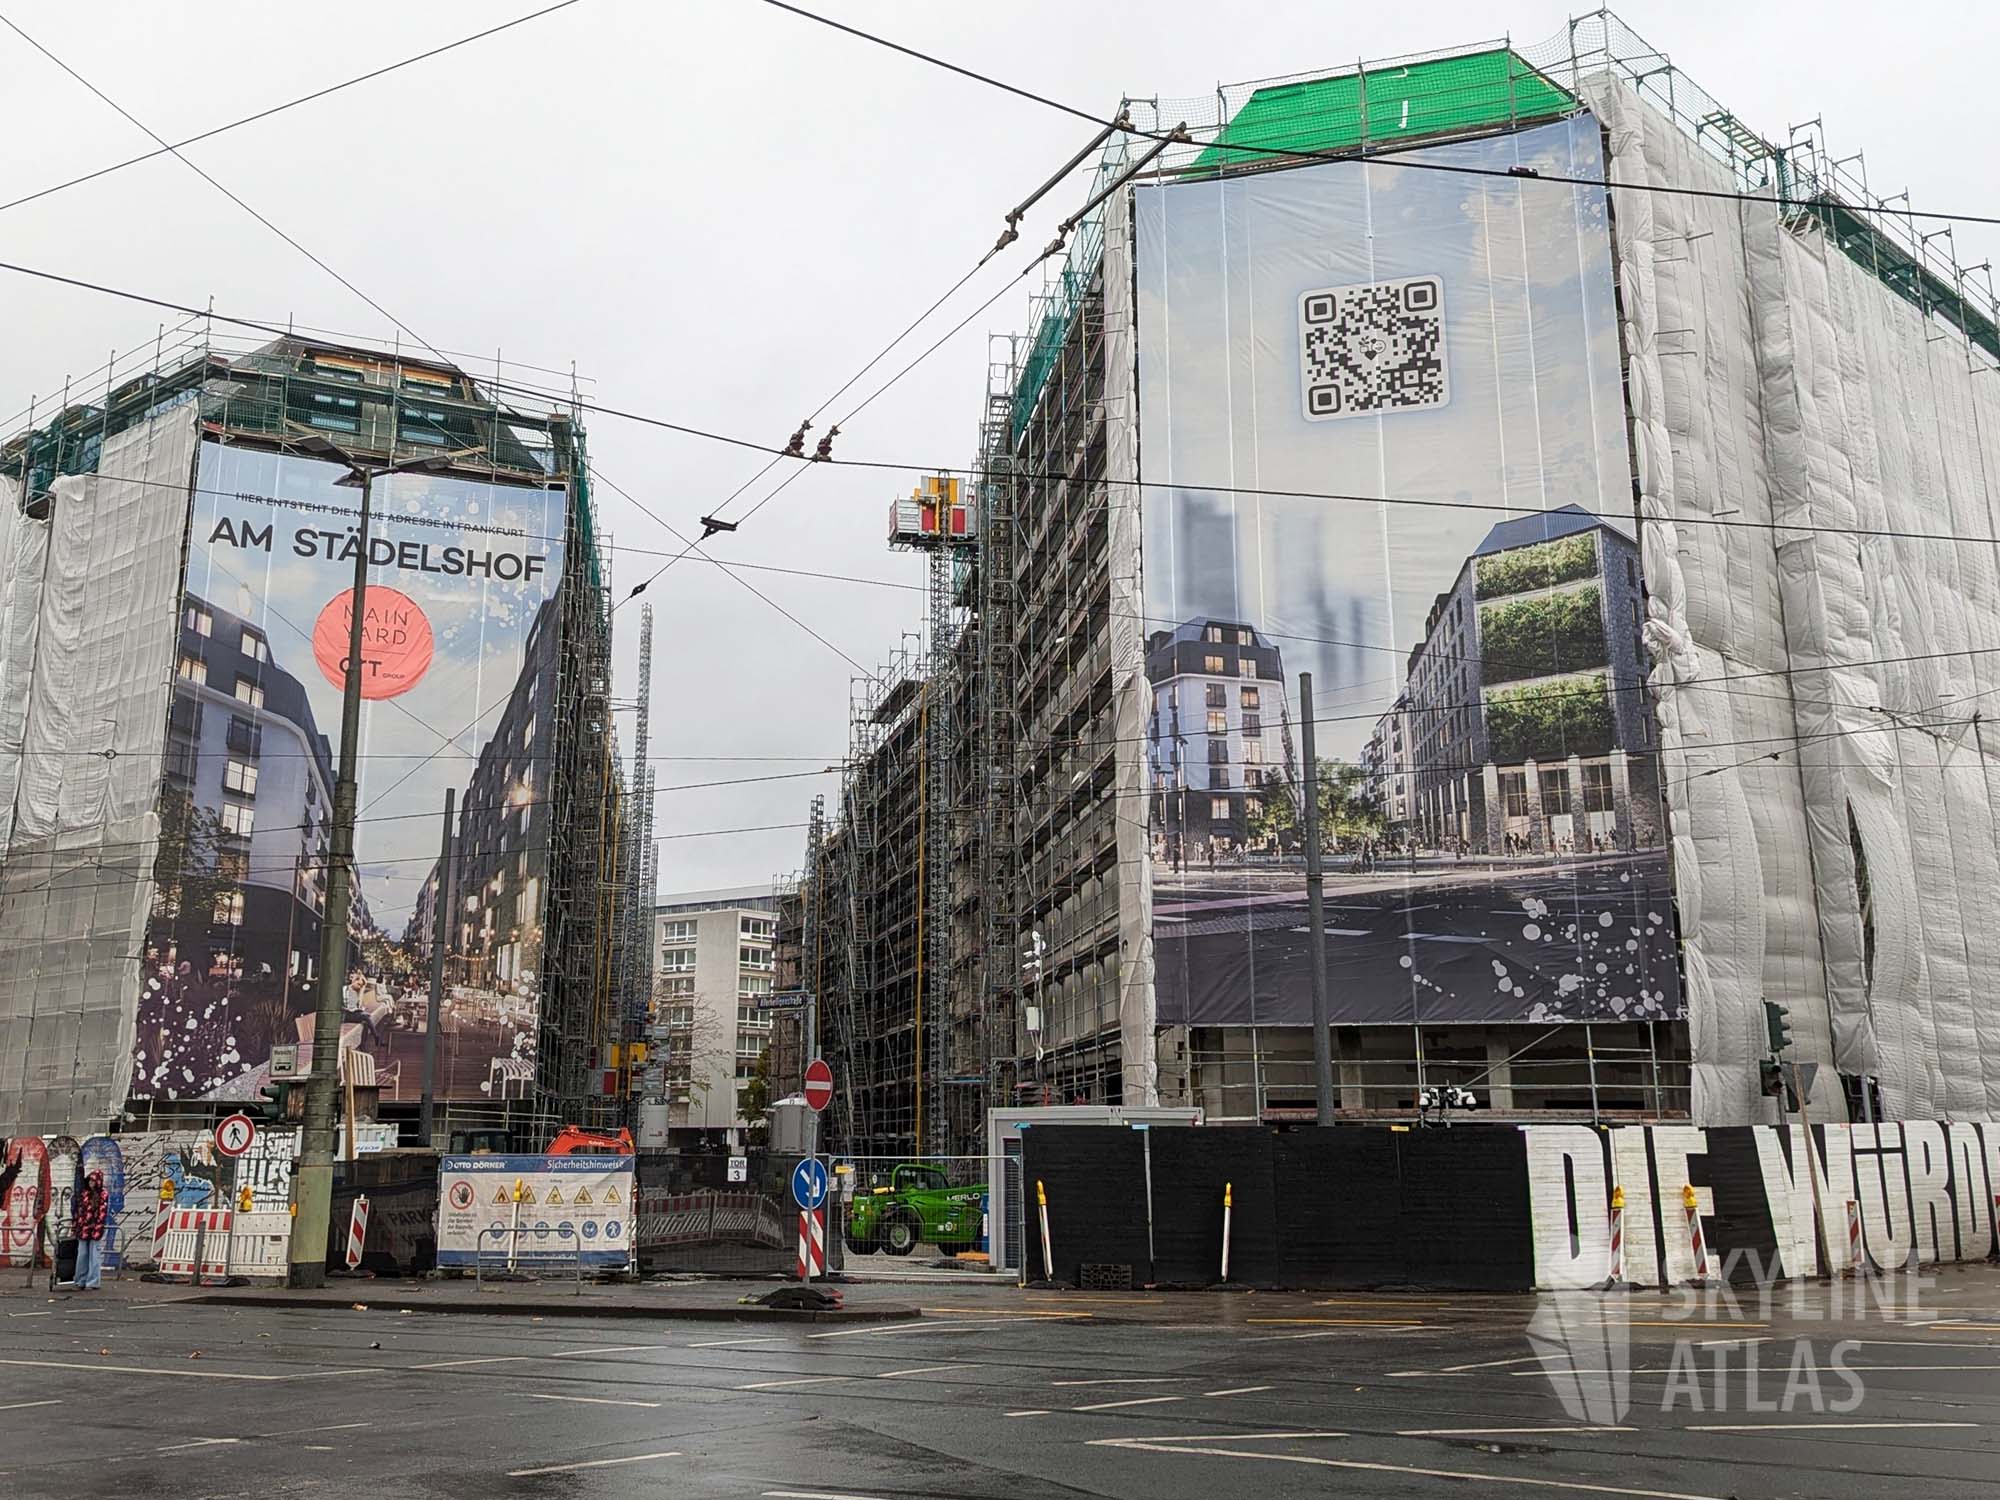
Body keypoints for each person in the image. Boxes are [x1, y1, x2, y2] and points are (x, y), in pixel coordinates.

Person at [73, 1169, 108, 1290]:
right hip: (83, 1228)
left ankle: (93, 1281)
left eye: (93, 1181)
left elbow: (102, 1212)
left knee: (94, 1256)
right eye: (90, 1180)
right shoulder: (85, 1194)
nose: (91, 1183)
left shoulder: (103, 1194)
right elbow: (80, 1210)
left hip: (95, 1229)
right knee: (82, 1255)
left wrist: (98, 1227)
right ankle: (80, 1280)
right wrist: (77, 1224)